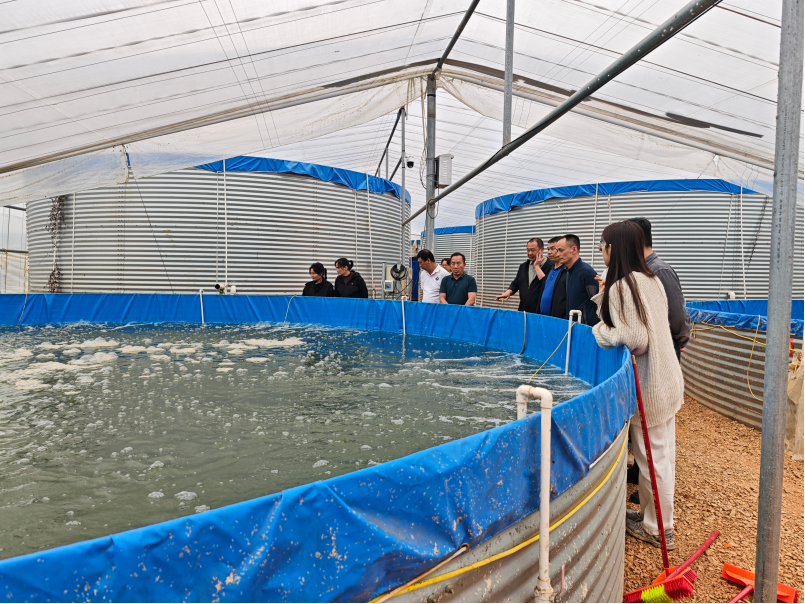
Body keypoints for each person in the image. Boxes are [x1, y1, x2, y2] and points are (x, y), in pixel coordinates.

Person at [591, 220, 684, 551]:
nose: (601, 251)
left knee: (651, 460)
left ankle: (658, 529)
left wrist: (599, 332)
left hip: (650, 385)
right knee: (662, 455)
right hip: (668, 378)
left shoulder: (623, 286)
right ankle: (651, 517)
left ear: (613, 248)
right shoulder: (649, 278)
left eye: (602, 245)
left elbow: (634, 339)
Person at [630, 217, 691, 361]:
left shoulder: (659, 271)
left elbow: (677, 316)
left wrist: (675, 342)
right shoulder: (638, 271)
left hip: (663, 351)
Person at [495, 238, 551, 312]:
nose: (530, 253)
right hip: (523, 311)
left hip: (540, 313)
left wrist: (537, 267)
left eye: (533, 250)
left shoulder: (551, 266)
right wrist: (509, 291)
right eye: (528, 250)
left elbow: (548, 286)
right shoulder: (523, 266)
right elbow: (516, 283)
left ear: (542, 249)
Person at [555, 234, 599, 325]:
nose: (558, 254)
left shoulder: (587, 273)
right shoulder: (568, 272)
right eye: (557, 250)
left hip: (585, 328)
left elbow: (598, 303)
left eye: (561, 250)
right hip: (572, 326)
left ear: (574, 250)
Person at [536, 237, 568, 319]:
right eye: (548, 249)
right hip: (542, 318)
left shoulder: (567, 272)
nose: (549, 252)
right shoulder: (549, 269)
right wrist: (537, 266)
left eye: (553, 249)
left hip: (557, 320)